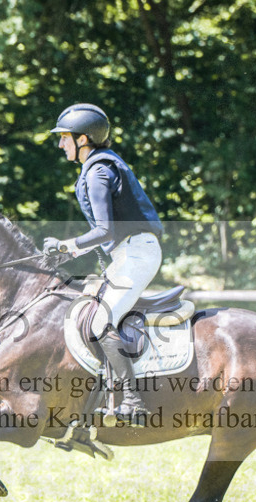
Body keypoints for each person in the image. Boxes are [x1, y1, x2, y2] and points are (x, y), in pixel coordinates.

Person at [43, 103, 164, 427]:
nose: (60, 144)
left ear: (83, 139)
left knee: (99, 323)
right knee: (85, 314)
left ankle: (133, 400)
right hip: (128, 253)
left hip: (137, 253)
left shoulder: (98, 171)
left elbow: (104, 231)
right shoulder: (98, 167)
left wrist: (66, 246)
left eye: (64, 138)